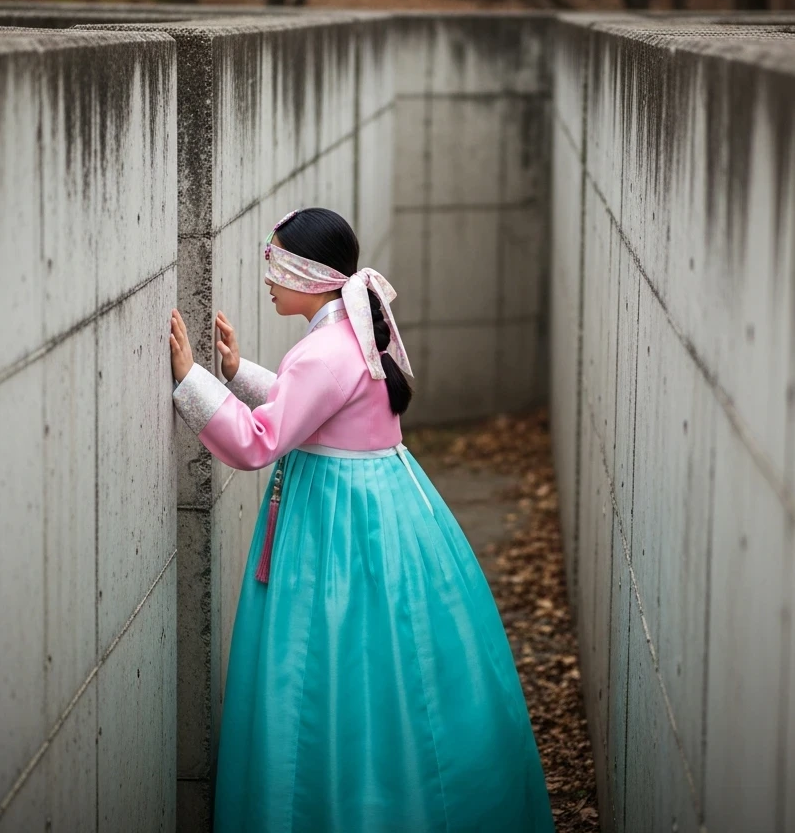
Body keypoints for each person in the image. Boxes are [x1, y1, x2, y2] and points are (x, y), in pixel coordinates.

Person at [168, 207, 554, 832]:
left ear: (311, 276)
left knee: (327, 667)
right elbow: (316, 409)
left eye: (276, 264)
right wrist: (237, 375)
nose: (267, 278)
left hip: (338, 522)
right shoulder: (351, 332)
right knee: (393, 657)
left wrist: (192, 383)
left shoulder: (324, 350)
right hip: (386, 506)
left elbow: (260, 442)